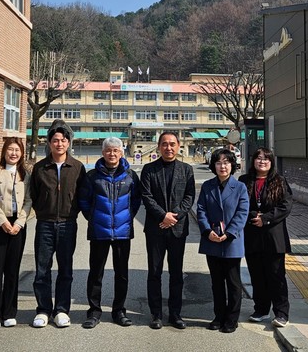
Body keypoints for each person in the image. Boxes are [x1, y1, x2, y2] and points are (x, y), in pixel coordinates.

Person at [78, 137, 141, 329]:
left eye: (115, 150)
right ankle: (94, 311)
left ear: (121, 152)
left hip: (123, 232)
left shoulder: (130, 175)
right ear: (103, 152)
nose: (112, 154)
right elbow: (84, 200)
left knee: (121, 274)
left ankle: (119, 311)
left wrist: (126, 217)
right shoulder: (92, 176)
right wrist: (94, 218)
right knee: (96, 273)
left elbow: (136, 200)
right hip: (99, 231)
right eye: (108, 150)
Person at [29, 120, 86, 328]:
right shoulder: (40, 168)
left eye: (63, 140)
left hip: (68, 225)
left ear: (68, 143)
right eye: (55, 140)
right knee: (42, 269)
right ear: (49, 143)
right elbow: (33, 194)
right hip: (45, 224)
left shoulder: (77, 167)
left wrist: (73, 211)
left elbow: (82, 195)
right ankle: (43, 310)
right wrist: (43, 209)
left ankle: (61, 310)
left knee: (65, 270)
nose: (59, 144)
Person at [140, 131, 196, 330]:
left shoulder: (187, 169)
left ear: (178, 146)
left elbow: (189, 197)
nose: (168, 148)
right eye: (164, 144)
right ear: (158, 147)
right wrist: (163, 216)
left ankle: (175, 314)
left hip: (177, 230)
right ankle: (156, 314)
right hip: (155, 228)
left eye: (172, 144)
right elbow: (146, 197)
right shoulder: (148, 169)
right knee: (154, 272)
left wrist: (174, 217)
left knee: (176, 273)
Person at [197, 148, 249, 333]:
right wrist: (207, 231)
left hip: (231, 241)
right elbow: (201, 210)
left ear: (232, 165)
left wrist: (230, 232)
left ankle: (232, 319)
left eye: (226, 163)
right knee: (216, 282)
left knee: (233, 283)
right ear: (214, 166)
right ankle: (218, 316)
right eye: (218, 163)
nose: (222, 166)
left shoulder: (240, 187)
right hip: (211, 240)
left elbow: (242, 213)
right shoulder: (207, 186)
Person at [0, 137, 32, 329]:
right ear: (4, 151)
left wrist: (19, 223)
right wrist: (2, 221)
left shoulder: (25, 174)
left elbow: (29, 201)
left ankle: (9, 312)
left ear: (22, 153)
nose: (14, 153)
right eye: (10, 149)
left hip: (17, 226)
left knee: (12, 270)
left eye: (17, 150)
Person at [241, 147, 293, 328]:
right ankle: (261, 309)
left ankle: (281, 313)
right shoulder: (244, 181)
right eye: (259, 158)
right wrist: (253, 216)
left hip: (274, 236)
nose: (262, 161)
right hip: (252, 235)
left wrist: (265, 219)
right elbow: (239, 204)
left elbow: (286, 206)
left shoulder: (280, 181)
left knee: (276, 276)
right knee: (257, 275)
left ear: (271, 162)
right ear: (253, 160)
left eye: (266, 159)